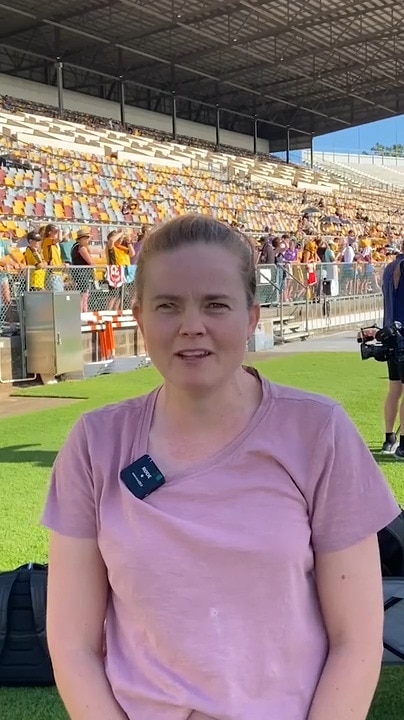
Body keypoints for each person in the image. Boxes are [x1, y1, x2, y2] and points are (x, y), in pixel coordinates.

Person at [42, 214, 399, 720]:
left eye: (215, 304)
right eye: (168, 305)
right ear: (140, 318)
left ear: (251, 317)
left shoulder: (318, 432)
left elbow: (357, 641)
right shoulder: (95, 443)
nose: (192, 325)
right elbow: (72, 644)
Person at [381, 238, 404, 459]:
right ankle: (403, 445)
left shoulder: (389, 268)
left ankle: (389, 438)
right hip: (402, 334)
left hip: (390, 334)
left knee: (394, 390)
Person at [71, 230, 95, 312]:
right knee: (83, 295)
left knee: (83, 294)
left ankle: (83, 311)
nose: (88, 240)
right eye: (86, 238)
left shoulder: (75, 246)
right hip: (82, 273)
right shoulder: (82, 248)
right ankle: (82, 312)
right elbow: (91, 262)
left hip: (79, 273)